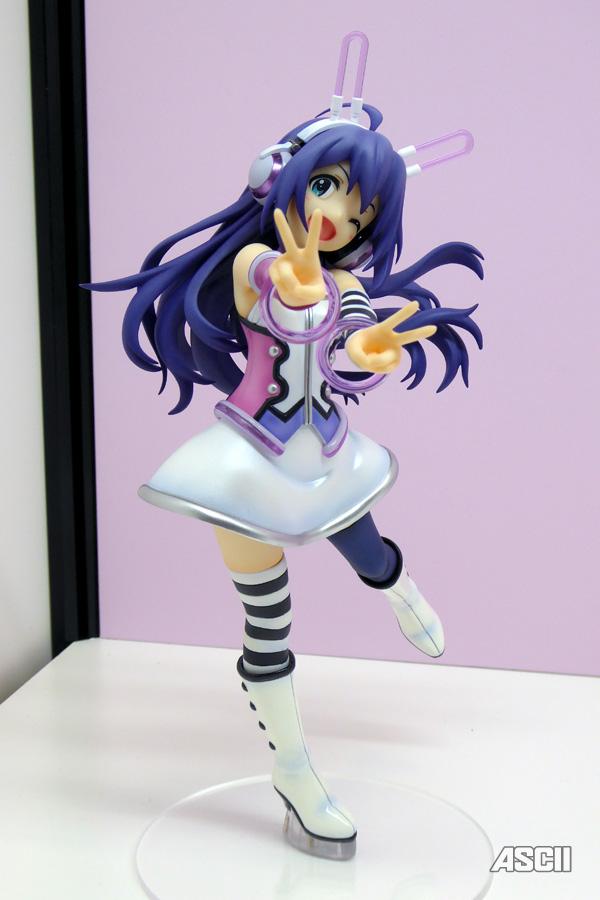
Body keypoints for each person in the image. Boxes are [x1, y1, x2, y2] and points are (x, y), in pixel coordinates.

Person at [88, 33, 483, 860]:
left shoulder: (347, 280)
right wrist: (293, 281)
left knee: (370, 552)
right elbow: (272, 286)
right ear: (287, 178)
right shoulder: (258, 261)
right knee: (268, 624)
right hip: (246, 461)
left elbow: (351, 343)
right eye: (329, 186)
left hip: (325, 450)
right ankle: (296, 772)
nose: (338, 214)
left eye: (360, 210)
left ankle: (398, 587)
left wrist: (371, 349)